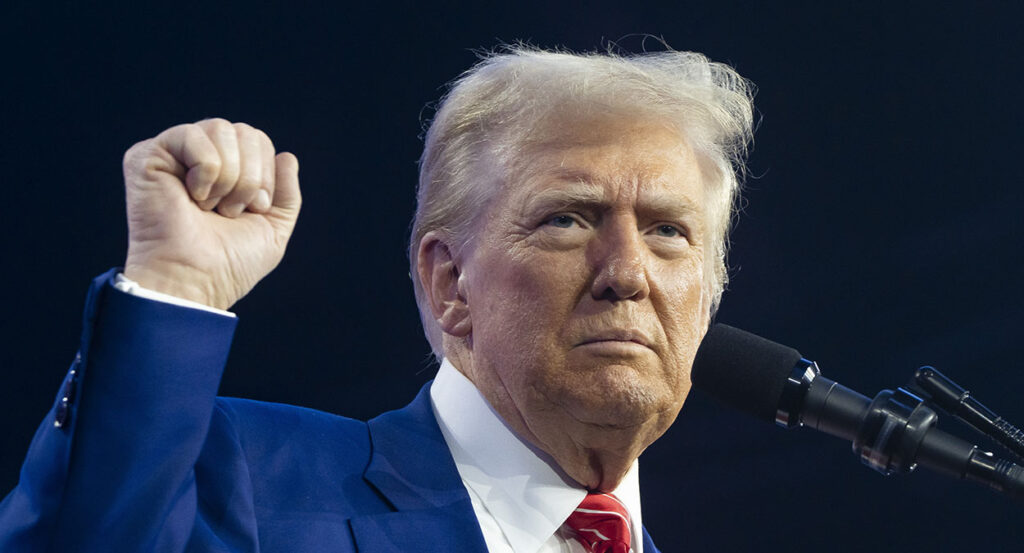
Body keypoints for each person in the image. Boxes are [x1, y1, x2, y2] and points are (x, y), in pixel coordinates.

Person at [0, 45, 754, 552]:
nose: (627, 270)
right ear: (449, 282)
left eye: (668, 231)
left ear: (707, 299)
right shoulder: (250, 479)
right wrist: (175, 290)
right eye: (567, 218)